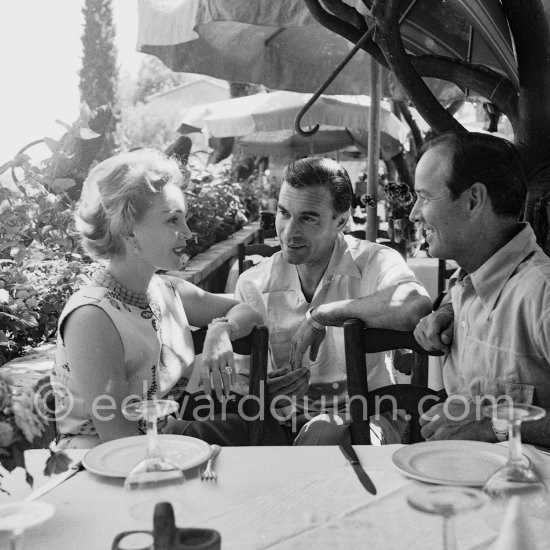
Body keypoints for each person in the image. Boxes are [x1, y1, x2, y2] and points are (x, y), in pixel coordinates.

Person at [51, 148, 262, 448]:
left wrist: (220, 330)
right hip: (102, 471)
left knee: (260, 429)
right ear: (127, 229)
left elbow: (251, 312)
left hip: (167, 451)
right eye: (173, 221)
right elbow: (120, 441)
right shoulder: (91, 318)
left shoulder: (165, 291)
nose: (189, 233)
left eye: (184, 219)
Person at [234, 157, 432, 444]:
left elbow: (415, 306)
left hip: (370, 418)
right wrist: (259, 390)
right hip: (282, 424)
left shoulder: (376, 261)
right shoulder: (252, 283)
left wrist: (323, 315)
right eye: (283, 213)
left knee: (322, 435)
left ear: (341, 220)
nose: (289, 232)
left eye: (308, 218)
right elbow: (239, 380)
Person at [411, 131, 550, 446]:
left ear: (473, 200)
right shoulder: (467, 282)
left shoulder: (542, 296)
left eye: (425, 197)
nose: (414, 214)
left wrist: (497, 426)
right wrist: (446, 309)